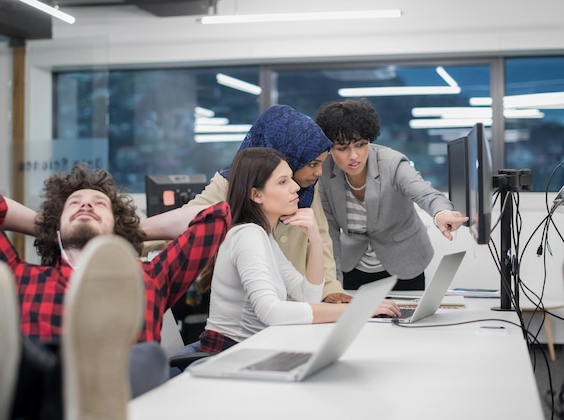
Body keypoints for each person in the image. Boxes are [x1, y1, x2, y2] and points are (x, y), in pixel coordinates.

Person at [0, 163, 230, 418]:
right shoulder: (20, 276)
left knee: (146, 358)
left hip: (123, 398)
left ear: (116, 224)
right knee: (29, 353)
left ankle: (44, 380)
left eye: (99, 204)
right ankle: (35, 378)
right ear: (57, 224)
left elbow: (216, 216)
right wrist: (49, 225)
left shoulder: (151, 277)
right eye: (75, 204)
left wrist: (131, 230)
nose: (86, 205)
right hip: (40, 401)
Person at [198, 147, 401, 353]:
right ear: (256, 194)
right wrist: (357, 310)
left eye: (290, 179)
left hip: (253, 348)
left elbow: (308, 296)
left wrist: (315, 239)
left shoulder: (264, 236)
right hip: (229, 353)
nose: (295, 187)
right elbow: (272, 312)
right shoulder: (248, 235)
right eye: (283, 182)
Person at [180, 104, 353, 304]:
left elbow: (320, 236)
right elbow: (184, 225)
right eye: (312, 164)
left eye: (323, 162)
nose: (319, 172)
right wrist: (138, 243)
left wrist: (329, 288)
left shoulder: (304, 185)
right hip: (253, 311)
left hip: (294, 301)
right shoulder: (232, 189)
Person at [314, 98, 468, 291]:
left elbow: (425, 193)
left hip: (404, 263)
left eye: (361, 145)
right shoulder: (325, 173)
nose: (353, 156)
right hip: (353, 266)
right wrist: (332, 286)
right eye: (342, 148)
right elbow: (329, 235)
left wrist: (441, 214)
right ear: (329, 147)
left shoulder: (392, 163)